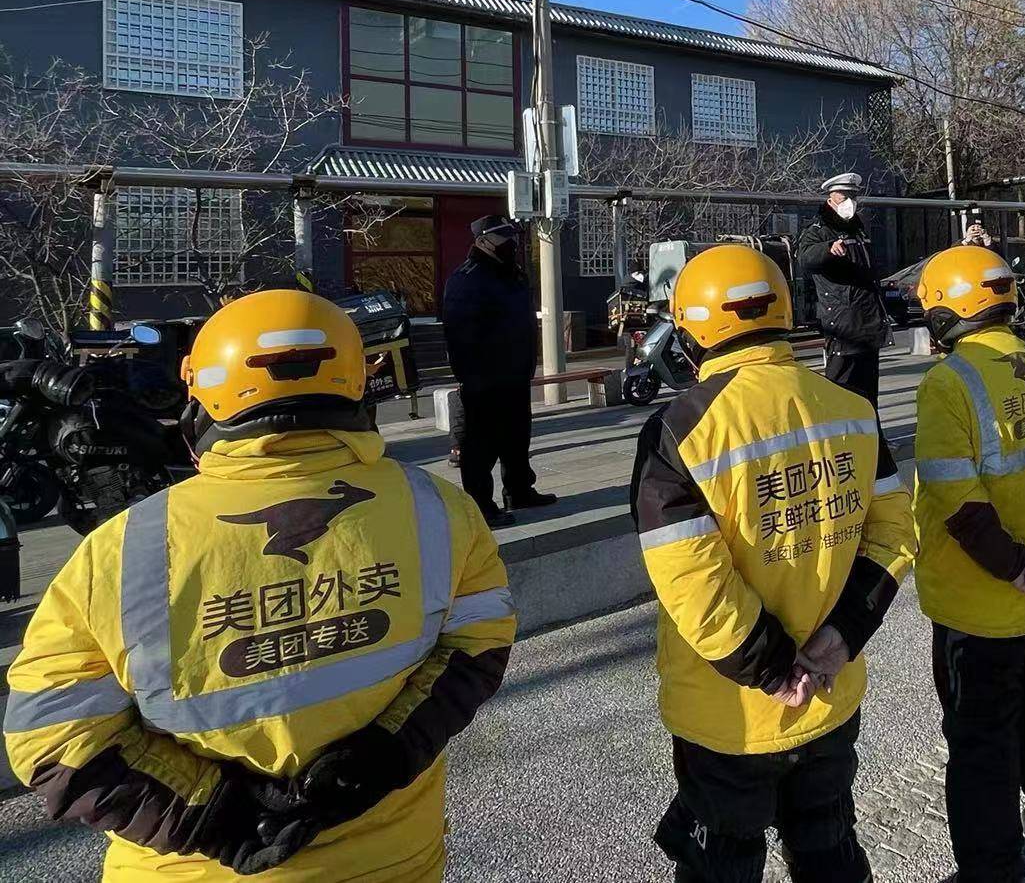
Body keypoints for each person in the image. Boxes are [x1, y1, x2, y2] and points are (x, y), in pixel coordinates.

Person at [4, 290, 515, 880]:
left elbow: (50, 735)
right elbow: (479, 645)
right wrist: (388, 752)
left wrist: (214, 812)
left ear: (201, 392)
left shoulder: (121, 548)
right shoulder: (439, 508)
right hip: (396, 861)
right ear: (356, 378)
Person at [631, 243, 915, 883]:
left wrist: (775, 668)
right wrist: (838, 641)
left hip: (730, 711)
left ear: (691, 329)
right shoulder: (852, 410)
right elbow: (895, 536)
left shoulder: (681, 427)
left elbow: (691, 583)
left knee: (722, 863)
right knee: (828, 849)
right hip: (830, 694)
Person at [912, 244, 1025, 880]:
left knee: (980, 746)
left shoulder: (948, 382)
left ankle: (992, 870)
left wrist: (1014, 565)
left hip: (979, 607)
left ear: (949, 312)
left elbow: (955, 498)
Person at [441, 214, 556, 528]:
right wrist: (472, 376)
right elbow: (458, 333)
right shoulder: (468, 278)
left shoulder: (511, 273)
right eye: (503, 237)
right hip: (484, 377)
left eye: (513, 236)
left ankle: (519, 490)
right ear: (482, 241)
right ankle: (479, 506)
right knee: (480, 446)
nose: (512, 243)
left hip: (516, 372)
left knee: (517, 438)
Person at [797, 172, 888, 407]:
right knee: (841, 391)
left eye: (853, 196)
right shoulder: (819, 230)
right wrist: (828, 249)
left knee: (868, 393)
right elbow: (805, 258)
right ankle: (846, 441)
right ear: (830, 199)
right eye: (844, 196)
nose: (850, 201)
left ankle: (876, 442)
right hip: (843, 325)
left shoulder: (858, 230)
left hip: (867, 322)